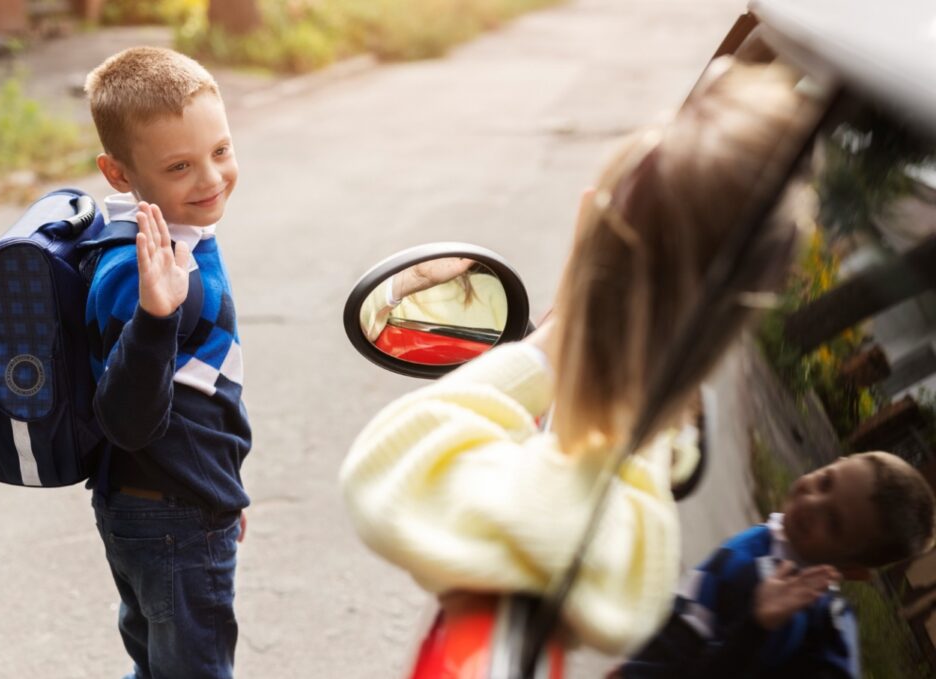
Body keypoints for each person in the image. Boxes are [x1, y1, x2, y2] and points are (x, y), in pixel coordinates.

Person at [340, 57, 820, 658]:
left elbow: (393, 464)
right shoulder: (640, 490)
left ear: (588, 228)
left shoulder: (574, 520)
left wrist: (555, 345)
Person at [83, 46, 250, 678]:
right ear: (120, 173)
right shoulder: (139, 271)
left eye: (221, 151)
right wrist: (155, 317)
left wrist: (225, 494)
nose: (210, 179)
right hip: (170, 513)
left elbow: (203, 395)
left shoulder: (182, 235)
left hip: (178, 504)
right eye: (180, 165)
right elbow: (125, 418)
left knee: (161, 665)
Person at [618, 452, 936, 678]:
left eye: (834, 524)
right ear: (835, 463)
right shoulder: (781, 541)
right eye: (825, 482)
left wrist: (757, 625)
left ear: (851, 570)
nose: (812, 503)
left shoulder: (787, 612)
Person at [358, 257, 509, 343]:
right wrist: (415, 277)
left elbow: (512, 343)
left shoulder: (488, 287)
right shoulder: (403, 298)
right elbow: (361, 328)